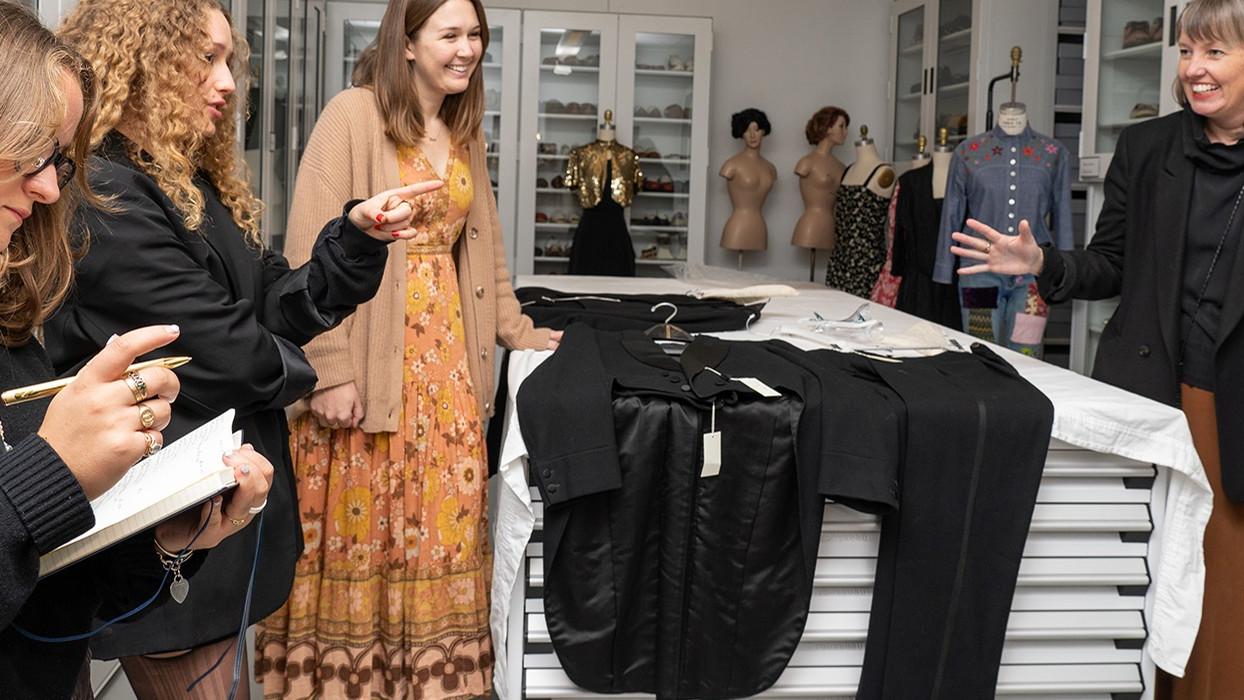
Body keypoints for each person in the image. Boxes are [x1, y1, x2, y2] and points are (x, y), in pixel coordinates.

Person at [44, 0, 444, 696]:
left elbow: (266, 301)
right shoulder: (103, 196)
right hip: (160, 520)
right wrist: (298, 374)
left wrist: (352, 239)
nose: (228, 82)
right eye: (206, 58)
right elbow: (231, 351)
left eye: (231, 60)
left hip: (202, 521)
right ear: (141, 63)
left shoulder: (180, 181)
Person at [253, 0, 558, 696]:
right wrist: (326, 370)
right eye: (449, 34)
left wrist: (518, 330)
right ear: (408, 42)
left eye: (475, 34)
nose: (467, 48)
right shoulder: (352, 115)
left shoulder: (462, 129)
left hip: (447, 364)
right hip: (366, 357)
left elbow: (484, 253)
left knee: (441, 528)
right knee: (364, 530)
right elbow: (309, 245)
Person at [949, 1, 1244, 697]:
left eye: (1215, 53)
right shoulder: (1148, 151)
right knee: (1138, 589)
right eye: (1186, 51)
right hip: (1157, 401)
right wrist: (1042, 262)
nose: (1194, 69)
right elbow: (1109, 263)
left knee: (1223, 601)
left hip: (1233, 412)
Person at [0, 2, 272, 697]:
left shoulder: (11, 328)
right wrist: (53, 471)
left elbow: (55, 600)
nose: (51, 186)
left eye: (59, 159)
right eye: (32, 153)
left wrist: (171, 536)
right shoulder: (122, 199)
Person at [720, 108, 776, 258]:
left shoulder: (770, 168)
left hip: (759, 227)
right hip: (737, 227)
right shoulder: (731, 165)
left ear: (764, 131)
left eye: (757, 130)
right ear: (741, 133)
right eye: (746, 130)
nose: (752, 135)